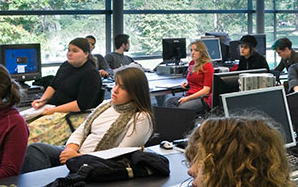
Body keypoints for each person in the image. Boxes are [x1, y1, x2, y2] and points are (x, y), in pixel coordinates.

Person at [22, 66, 153, 172]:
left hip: (96, 164)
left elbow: (120, 155)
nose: (115, 90)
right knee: (35, 150)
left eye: (122, 88)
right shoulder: (106, 105)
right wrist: (71, 149)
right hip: (77, 153)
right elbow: (82, 129)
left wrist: (79, 158)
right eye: (116, 84)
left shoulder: (141, 118)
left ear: (135, 92)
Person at [28, 38, 102, 144]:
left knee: (29, 131)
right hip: (52, 108)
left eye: (75, 51)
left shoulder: (91, 74)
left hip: (70, 114)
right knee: (19, 122)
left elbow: (81, 105)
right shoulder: (66, 65)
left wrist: (54, 110)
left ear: (86, 54)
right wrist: (42, 101)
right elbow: (53, 86)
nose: (69, 53)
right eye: (69, 50)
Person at [165, 40, 214, 111]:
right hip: (190, 95)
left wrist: (187, 98)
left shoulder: (207, 66)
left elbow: (206, 90)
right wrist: (187, 85)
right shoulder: (192, 63)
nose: (192, 53)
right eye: (191, 50)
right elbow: (196, 81)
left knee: (181, 109)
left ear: (202, 52)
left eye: (196, 50)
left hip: (202, 98)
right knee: (169, 101)